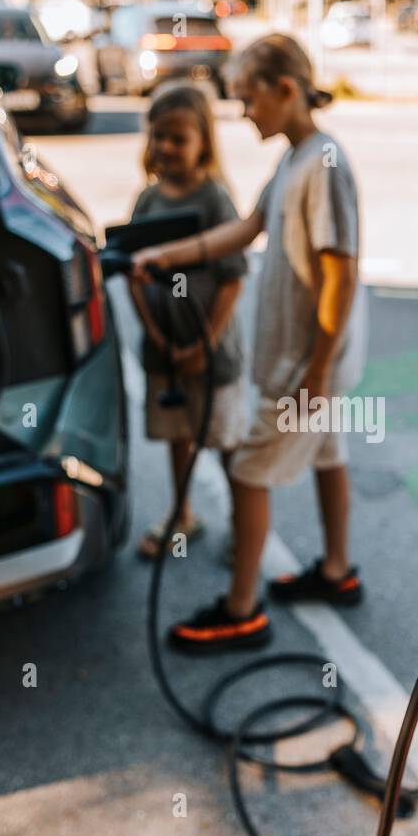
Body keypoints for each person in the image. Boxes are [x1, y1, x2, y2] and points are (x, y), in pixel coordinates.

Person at [131, 34, 369, 654]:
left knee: (246, 468)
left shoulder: (325, 164)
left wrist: (316, 369)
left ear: (284, 90)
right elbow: (242, 230)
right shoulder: (293, 159)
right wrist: (164, 254)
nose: (243, 113)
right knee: (327, 455)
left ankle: (241, 612)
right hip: (316, 363)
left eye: (248, 99)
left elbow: (339, 271)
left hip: (308, 364)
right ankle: (338, 571)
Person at [126, 83, 249, 560]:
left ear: (204, 142)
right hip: (165, 354)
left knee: (224, 440)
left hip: (213, 358)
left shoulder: (216, 202)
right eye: (158, 137)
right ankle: (182, 513)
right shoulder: (147, 201)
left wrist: (203, 346)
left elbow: (232, 280)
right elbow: (135, 278)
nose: (166, 148)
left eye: (179, 138)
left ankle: (244, 522)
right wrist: (159, 337)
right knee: (177, 435)